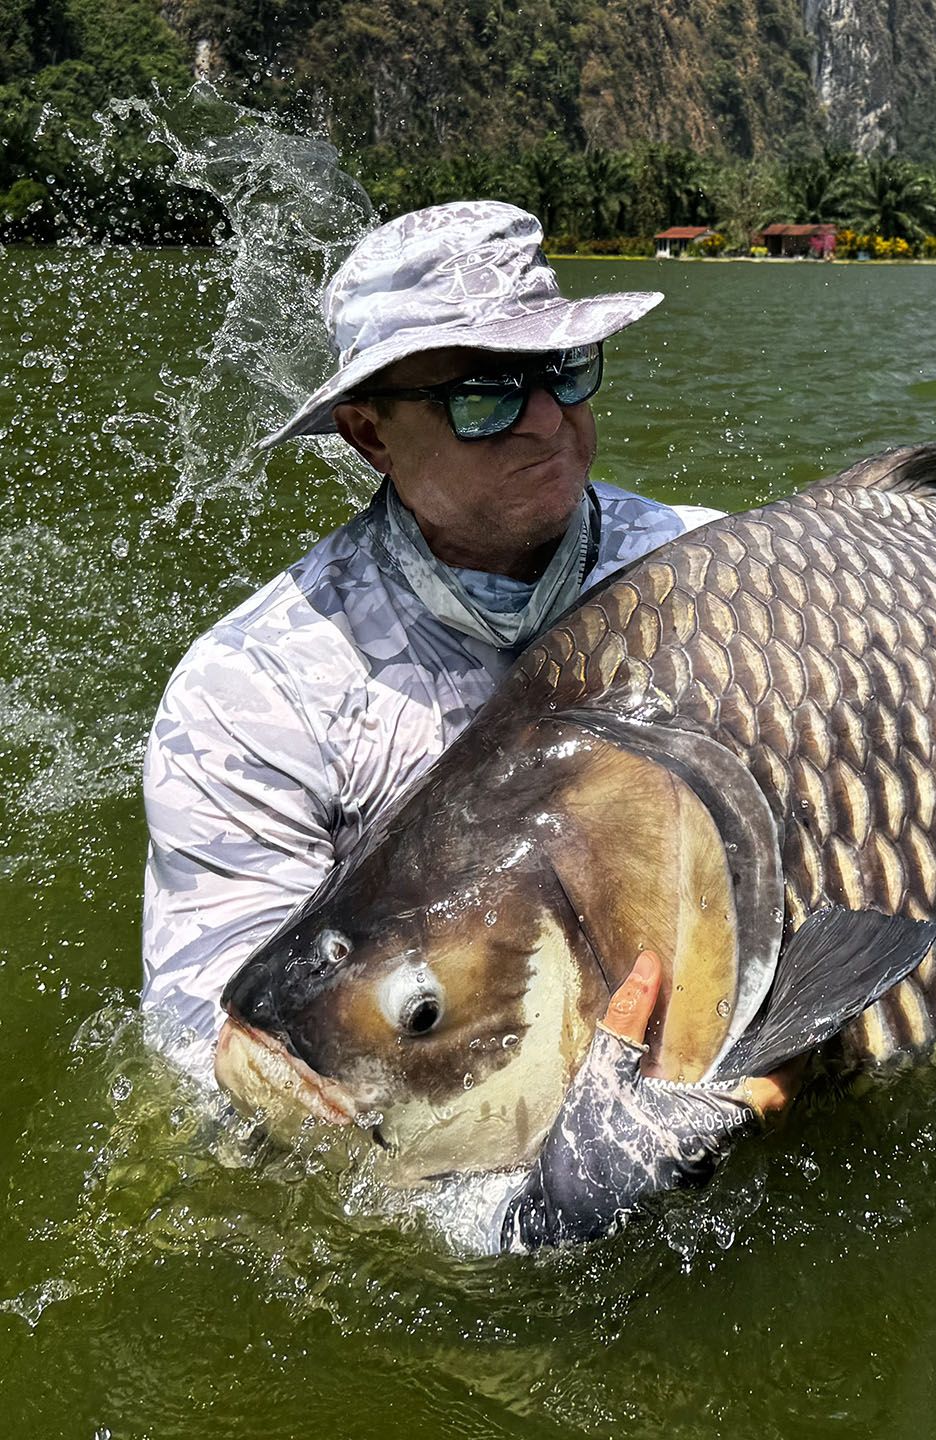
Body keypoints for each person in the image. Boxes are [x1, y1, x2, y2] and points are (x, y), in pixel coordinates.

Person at [142, 201, 726, 1080]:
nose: (545, 419)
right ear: (369, 432)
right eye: (483, 395)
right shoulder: (256, 692)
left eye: (564, 371)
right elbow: (224, 1057)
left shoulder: (720, 576)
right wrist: (515, 1205)